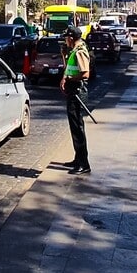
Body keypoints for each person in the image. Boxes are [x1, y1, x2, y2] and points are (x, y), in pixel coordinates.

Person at [60, 26, 92, 175]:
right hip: (73, 92)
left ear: (71, 38)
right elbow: (69, 69)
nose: (65, 40)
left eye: (66, 37)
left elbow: (85, 74)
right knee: (74, 127)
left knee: (78, 129)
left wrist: (71, 79)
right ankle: (77, 158)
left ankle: (84, 164)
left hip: (77, 93)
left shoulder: (80, 51)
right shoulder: (73, 51)